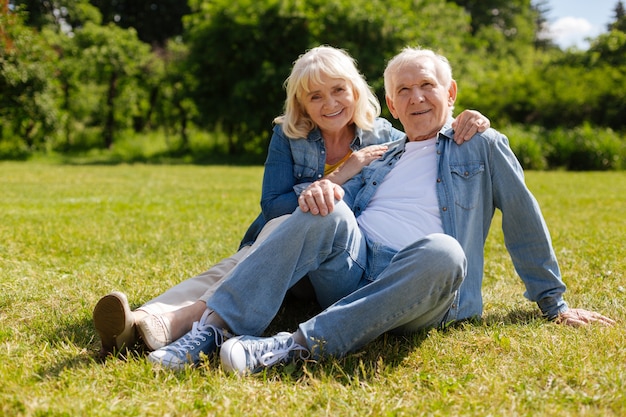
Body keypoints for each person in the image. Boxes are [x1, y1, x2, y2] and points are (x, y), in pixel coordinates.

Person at [147, 46, 615, 374]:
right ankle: (212, 331)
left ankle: (291, 347)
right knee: (327, 204)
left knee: (445, 251)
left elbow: (523, 217)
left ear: (450, 94)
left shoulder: (481, 145)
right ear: (391, 104)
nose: (416, 98)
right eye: (404, 91)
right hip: (352, 270)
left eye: (427, 86)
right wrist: (325, 189)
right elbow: (316, 213)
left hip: (422, 282)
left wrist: (554, 304)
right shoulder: (383, 152)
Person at [92, 45, 490, 356]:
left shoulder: (384, 137)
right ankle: (145, 320)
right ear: (301, 104)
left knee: (285, 238)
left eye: (338, 91)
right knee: (255, 250)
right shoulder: (289, 135)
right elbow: (273, 204)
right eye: (315, 96)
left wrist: (469, 119)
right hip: (288, 244)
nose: (329, 103)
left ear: (356, 91)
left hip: (340, 257)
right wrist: (337, 176)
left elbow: (428, 132)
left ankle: (167, 324)